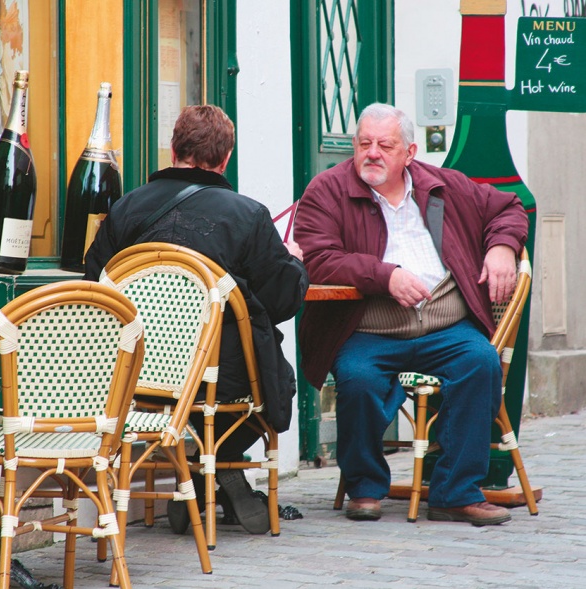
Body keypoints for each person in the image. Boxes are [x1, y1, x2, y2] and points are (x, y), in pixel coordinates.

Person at [294, 103, 528, 526]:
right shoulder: (326, 190)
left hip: (444, 325)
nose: (373, 153)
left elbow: (508, 207)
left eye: (386, 145)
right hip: (368, 327)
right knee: (359, 379)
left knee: (480, 363)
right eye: (365, 143)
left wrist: (501, 247)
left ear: (410, 152)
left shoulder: (443, 185)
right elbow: (318, 258)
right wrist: (385, 276)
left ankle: (455, 493)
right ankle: (364, 487)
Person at [85, 104, 308, 535]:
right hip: (218, 377)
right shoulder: (248, 215)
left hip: (135, 375)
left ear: (173, 150)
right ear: (226, 158)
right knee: (277, 381)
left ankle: (203, 472)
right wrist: (295, 263)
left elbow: (95, 286)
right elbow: (281, 301)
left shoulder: (126, 208)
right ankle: (216, 466)